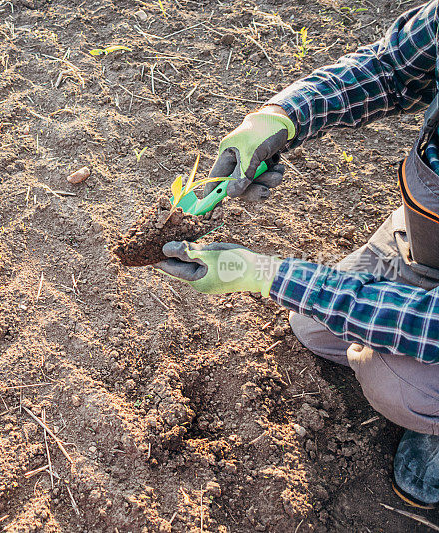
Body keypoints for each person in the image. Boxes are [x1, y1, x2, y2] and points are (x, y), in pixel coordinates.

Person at [156, 1, 439, 508]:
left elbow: (431, 324)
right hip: (427, 241)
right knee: (313, 326)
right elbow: (390, 68)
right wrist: (281, 117)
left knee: (395, 381)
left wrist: (265, 273)